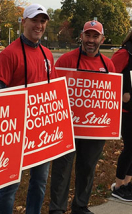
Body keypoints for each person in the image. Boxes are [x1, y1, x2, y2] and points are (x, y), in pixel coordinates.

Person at [0, 4, 57, 214]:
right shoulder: (9, 54)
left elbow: (52, 92)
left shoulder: (48, 54)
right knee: (10, 186)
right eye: (34, 20)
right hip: (16, 132)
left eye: (42, 21)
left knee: (39, 182)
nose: (39, 25)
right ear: (23, 22)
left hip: (41, 131)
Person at [49, 20, 115, 214]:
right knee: (62, 169)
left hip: (95, 129)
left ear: (102, 39)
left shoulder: (108, 65)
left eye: (95, 36)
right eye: (88, 35)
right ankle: (57, 209)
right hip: (67, 127)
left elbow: (112, 97)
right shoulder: (65, 61)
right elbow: (53, 92)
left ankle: (80, 206)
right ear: (81, 36)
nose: (91, 40)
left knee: (87, 168)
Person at [110, 31, 132, 201]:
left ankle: (127, 182)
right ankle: (118, 186)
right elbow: (107, 77)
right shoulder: (124, 53)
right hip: (127, 111)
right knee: (130, 147)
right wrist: (121, 94)